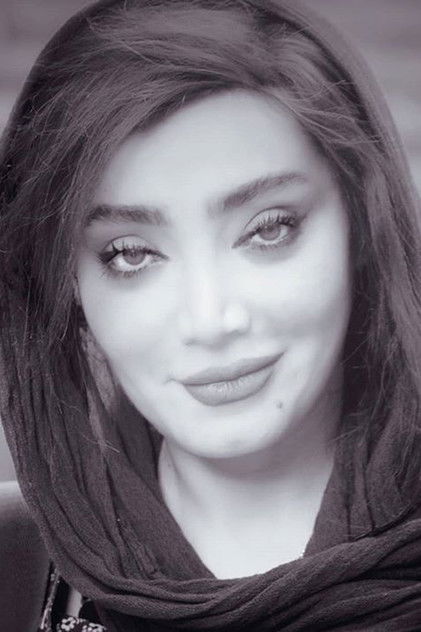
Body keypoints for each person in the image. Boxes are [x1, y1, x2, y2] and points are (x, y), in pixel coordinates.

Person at [1, 0, 421, 630]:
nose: (210, 319)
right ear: (70, 288)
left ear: (365, 226)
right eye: (131, 254)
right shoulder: (11, 568)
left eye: (268, 229)